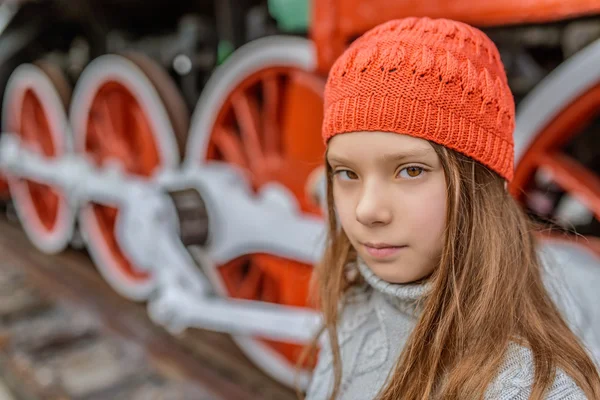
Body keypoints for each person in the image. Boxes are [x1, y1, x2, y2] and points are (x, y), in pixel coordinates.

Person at [303, 16, 600, 400]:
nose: (367, 210)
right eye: (346, 172)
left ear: (479, 185)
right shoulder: (353, 301)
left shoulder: (531, 388)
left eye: (410, 170)